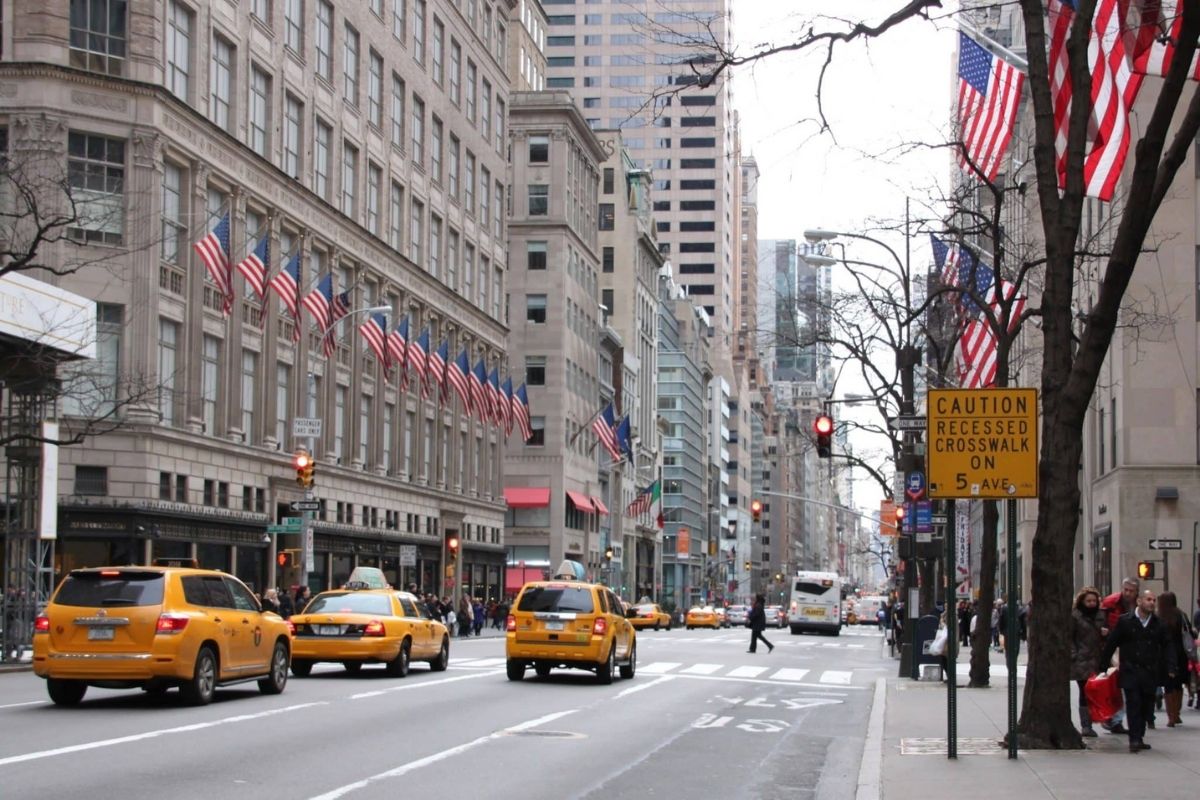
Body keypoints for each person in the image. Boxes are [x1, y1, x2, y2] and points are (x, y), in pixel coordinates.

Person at [1099, 589, 1174, 752]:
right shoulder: (1125, 621)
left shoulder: (1158, 624)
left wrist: (1171, 665)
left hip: (1149, 670)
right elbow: (1112, 643)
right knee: (1133, 702)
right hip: (1131, 669)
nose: (1152, 603)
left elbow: (1168, 645)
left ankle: (1139, 735)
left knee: (1146, 704)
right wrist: (1103, 665)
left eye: (1154, 600)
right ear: (1139, 601)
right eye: (1148, 599)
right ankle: (1134, 738)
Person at [1099, 577, 1139, 734]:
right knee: (1117, 682)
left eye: (1131, 591)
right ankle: (1114, 719)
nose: (1128, 593)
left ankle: (1115, 719)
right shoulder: (1110, 603)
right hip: (1115, 646)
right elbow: (1101, 622)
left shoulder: (1138, 605)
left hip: (1131, 647)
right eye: (1126, 590)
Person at [1070, 586, 1105, 737]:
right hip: (1082, 660)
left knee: (1096, 692)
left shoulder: (1101, 616)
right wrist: (1074, 654)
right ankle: (1086, 725)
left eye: (1094, 600)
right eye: (1088, 601)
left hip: (1097, 659)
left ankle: (1101, 719)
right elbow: (1069, 637)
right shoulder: (1075, 616)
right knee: (1085, 692)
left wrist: (1105, 633)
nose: (1091, 603)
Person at [1157, 592, 1191, 726]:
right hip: (1180, 652)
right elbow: (1189, 633)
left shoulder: (1159, 616)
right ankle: (1176, 713)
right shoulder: (1181, 615)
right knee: (1179, 683)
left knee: (1168, 685)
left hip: (1163, 654)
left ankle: (1170, 716)